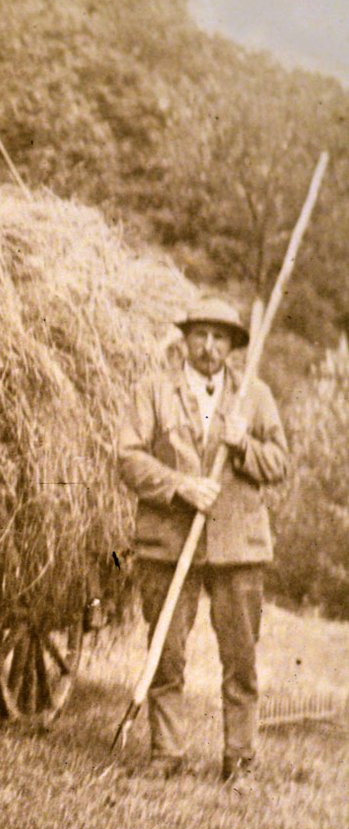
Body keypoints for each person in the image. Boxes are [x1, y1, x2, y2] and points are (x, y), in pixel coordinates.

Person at [117, 296, 289, 788]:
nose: (210, 347)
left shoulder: (254, 396)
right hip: (170, 544)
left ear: (234, 347)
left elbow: (279, 463)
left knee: (240, 659)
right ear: (185, 340)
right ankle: (165, 754)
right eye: (201, 336)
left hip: (238, 548)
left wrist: (243, 446)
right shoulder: (153, 391)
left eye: (220, 338)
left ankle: (240, 761)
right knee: (166, 654)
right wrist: (179, 486)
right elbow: (127, 457)